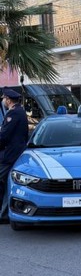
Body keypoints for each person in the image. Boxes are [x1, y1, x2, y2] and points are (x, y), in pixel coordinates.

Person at [0, 88, 29, 220]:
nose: (3, 101)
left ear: (8, 100)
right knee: (7, 183)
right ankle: (4, 213)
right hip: (17, 153)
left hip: (10, 154)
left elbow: (4, 136)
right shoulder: (21, 111)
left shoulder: (13, 114)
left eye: (4, 99)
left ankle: (4, 213)